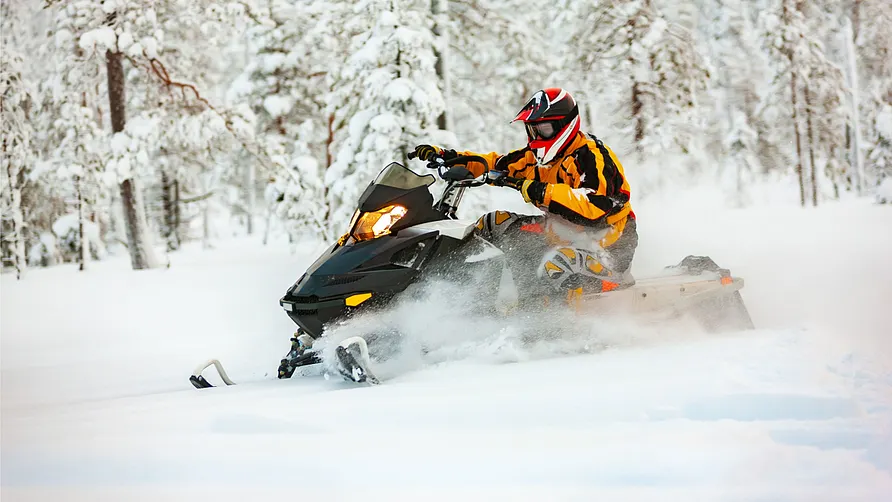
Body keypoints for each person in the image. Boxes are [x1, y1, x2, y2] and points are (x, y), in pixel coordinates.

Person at [411, 88, 638, 304]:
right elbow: (495, 164)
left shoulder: (592, 156)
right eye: (533, 129)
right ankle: (462, 295)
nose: (536, 135)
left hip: (608, 247)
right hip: (564, 235)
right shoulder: (538, 158)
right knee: (494, 224)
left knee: (555, 265)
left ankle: (556, 329)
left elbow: (594, 206)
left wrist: (539, 190)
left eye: (543, 129)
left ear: (563, 126)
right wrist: (450, 157)